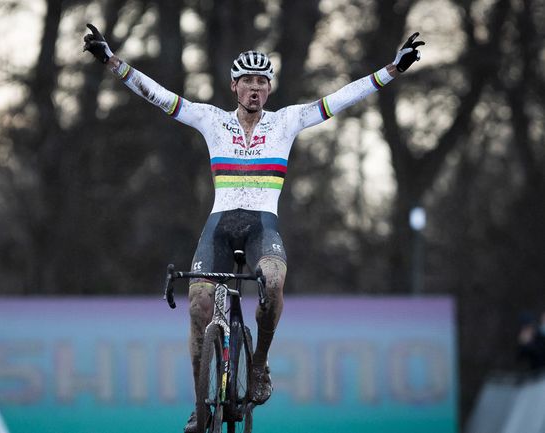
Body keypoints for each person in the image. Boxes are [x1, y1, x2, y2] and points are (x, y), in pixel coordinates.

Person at [83, 24, 424, 432]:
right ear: (234, 87)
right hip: (220, 224)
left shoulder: (286, 122)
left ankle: (258, 365)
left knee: (274, 282)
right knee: (197, 307)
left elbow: (341, 98)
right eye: (248, 81)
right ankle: (199, 406)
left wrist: (393, 70)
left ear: (270, 88)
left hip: (263, 223)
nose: (255, 88)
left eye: (262, 81)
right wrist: (111, 61)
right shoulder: (211, 120)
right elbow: (158, 96)